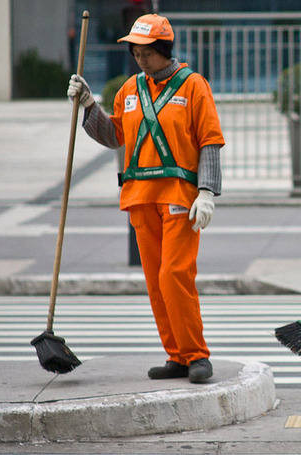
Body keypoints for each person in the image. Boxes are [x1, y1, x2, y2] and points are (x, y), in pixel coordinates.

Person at [67, 14, 224, 383]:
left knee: (174, 275)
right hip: (140, 197)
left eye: (146, 53)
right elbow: (114, 135)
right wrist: (89, 105)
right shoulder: (129, 90)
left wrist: (207, 192)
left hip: (180, 196)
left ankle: (197, 354)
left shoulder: (193, 86)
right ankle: (177, 356)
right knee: (155, 280)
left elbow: (210, 140)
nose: (140, 59)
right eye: (136, 52)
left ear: (164, 50)